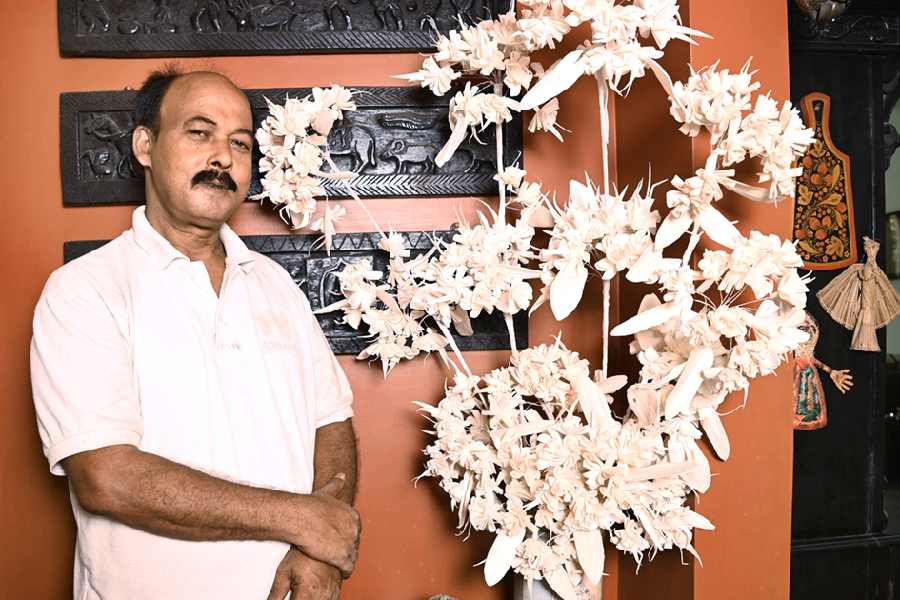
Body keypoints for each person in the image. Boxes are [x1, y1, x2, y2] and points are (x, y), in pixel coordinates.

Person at [30, 66, 360, 600]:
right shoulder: (84, 291)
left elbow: (332, 422)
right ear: (145, 145)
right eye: (199, 132)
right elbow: (106, 477)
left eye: (241, 143)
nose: (223, 158)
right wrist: (301, 519)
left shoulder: (275, 286)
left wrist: (316, 550)